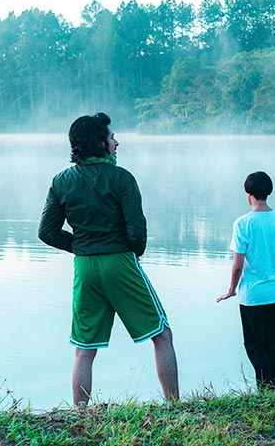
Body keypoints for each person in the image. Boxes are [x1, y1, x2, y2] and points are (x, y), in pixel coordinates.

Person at [38, 113, 179, 406]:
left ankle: (79, 414)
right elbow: (137, 230)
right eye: (112, 137)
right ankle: (174, 406)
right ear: (100, 142)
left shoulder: (61, 180)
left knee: (84, 349)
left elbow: (47, 232)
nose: (117, 141)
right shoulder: (122, 177)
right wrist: (130, 254)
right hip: (119, 261)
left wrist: (79, 245)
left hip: (85, 266)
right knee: (161, 334)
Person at [217, 171, 275, 390]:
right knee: (272, 344)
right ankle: (272, 387)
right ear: (268, 192)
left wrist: (231, 289)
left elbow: (237, 265)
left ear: (248, 194)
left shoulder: (243, 224)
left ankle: (266, 388)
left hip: (252, 296)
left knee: (254, 345)